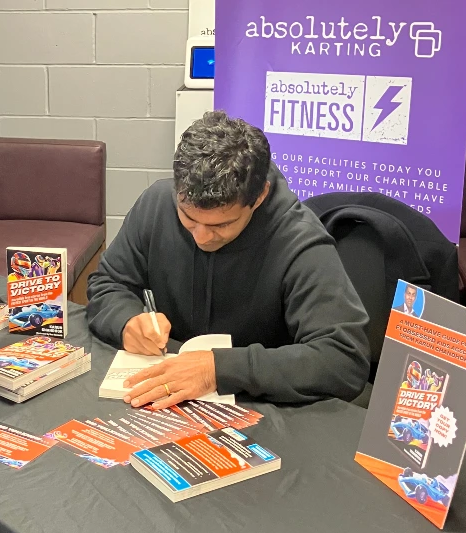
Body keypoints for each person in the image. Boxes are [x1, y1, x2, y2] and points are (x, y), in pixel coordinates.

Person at [86, 111, 370, 408]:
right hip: (170, 397)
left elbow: (344, 360)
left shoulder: (300, 242)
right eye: (188, 218)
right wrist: (125, 320)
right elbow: (107, 283)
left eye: (221, 225)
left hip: (260, 408)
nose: (201, 237)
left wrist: (219, 369)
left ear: (259, 197)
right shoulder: (157, 205)